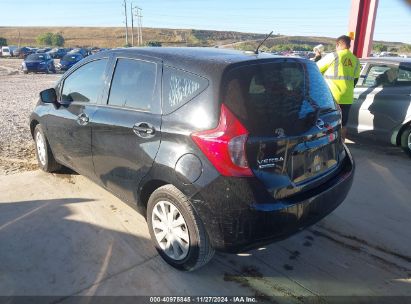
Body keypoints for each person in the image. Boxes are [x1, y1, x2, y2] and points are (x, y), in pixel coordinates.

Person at [317, 35, 360, 141]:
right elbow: (355, 80)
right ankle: (341, 145)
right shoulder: (356, 60)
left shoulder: (333, 56)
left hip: (332, 97)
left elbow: (315, 69)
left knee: (326, 124)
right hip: (348, 97)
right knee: (343, 124)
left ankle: (326, 145)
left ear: (338, 45)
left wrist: (317, 56)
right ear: (349, 45)